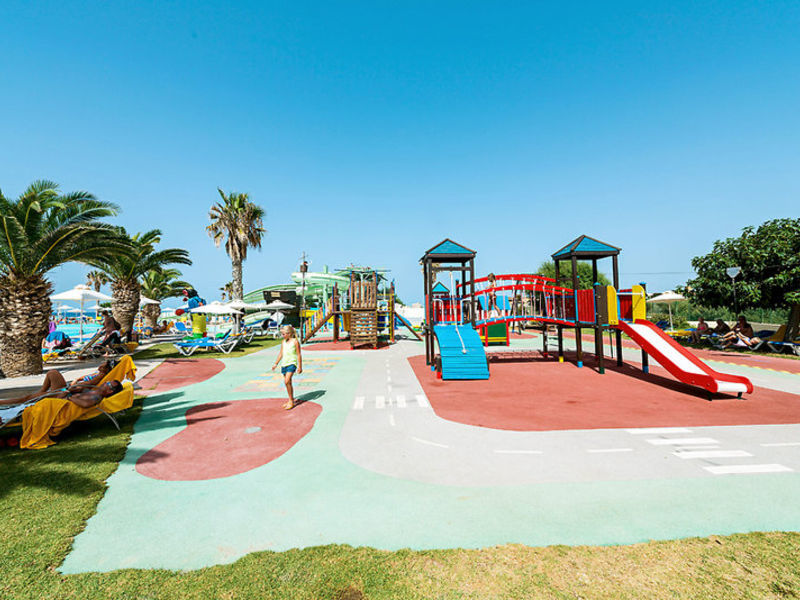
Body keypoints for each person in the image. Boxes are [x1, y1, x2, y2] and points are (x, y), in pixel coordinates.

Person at [0, 361, 116, 406]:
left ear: (106, 369)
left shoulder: (100, 378)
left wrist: (69, 392)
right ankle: (41, 394)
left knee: (26, 398)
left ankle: (3, 402)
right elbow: (83, 383)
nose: (101, 364)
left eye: (104, 364)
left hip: (64, 394)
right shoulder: (98, 374)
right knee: (53, 373)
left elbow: (84, 390)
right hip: (67, 390)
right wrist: (75, 383)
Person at [272, 325, 303, 410]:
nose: (282, 336)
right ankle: (290, 400)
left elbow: (299, 354)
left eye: (283, 334)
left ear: (289, 334)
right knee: (288, 383)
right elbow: (281, 353)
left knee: (286, 381)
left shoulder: (295, 342)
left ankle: (291, 401)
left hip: (292, 364)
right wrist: (276, 363)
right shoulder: (283, 342)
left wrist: (300, 366)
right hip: (284, 364)